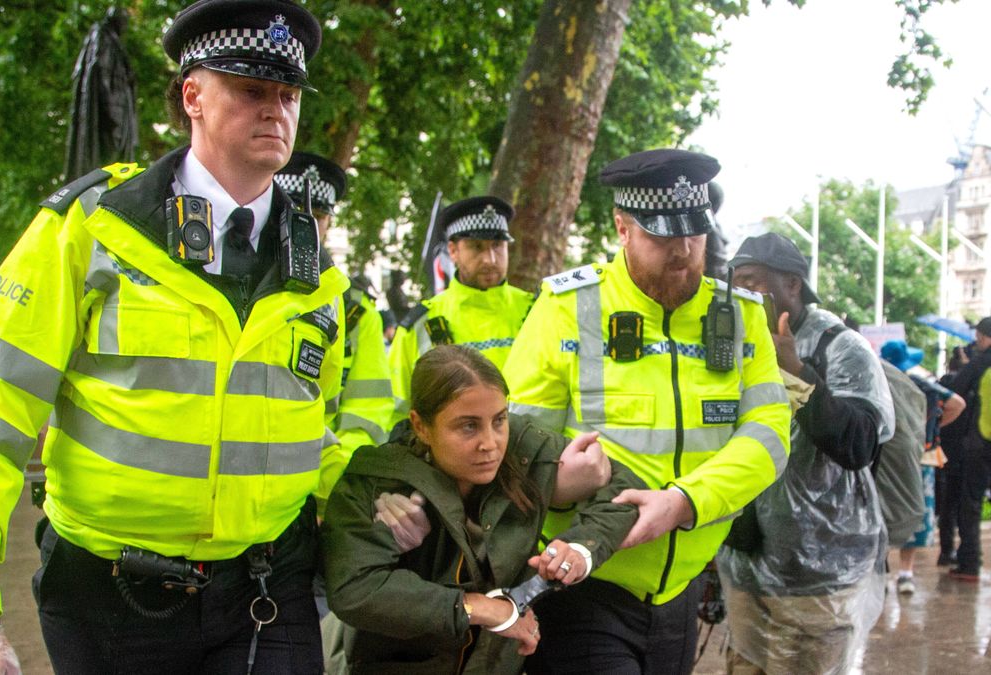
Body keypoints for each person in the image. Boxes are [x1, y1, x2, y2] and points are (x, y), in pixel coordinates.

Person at [0, 2, 346, 672]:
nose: (276, 111)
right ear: (193, 96)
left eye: (288, 94)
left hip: (268, 590)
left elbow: (310, 430)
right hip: (111, 602)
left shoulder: (317, 271)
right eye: (251, 90)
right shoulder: (94, 227)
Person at [503, 149, 791, 674]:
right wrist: (559, 482)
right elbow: (513, 443)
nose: (683, 250)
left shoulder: (743, 316)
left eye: (695, 232)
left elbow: (769, 437)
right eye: (662, 234)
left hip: (681, 589)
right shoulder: (567, 306)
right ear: (621, 227)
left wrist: (682, 503)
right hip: (585, 583)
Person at [322, 345, 647, 674]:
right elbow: (354, 589)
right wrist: (477, 608)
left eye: (499, 420)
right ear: (420, 426)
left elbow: (627, 486)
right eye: (468, 426)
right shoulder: (376, 483)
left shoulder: (522, 446)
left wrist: (580, 547)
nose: (490, 443)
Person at [717, 232, 894, 675]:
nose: (744, 294)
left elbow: (859, 444)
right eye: (736, 283)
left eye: (754, 281)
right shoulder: (732, 343)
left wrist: (796, 372)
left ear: (793, 285)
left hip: (820, 572)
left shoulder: (841, 347)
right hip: (747, 563)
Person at [275, 152, 393, 454]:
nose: (306, 222)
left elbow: (369, 409)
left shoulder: (357, 310)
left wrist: (336, 471)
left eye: (319, 216)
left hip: (321, 474)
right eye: (292, 207)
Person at [388, 196, 533, 423]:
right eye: (476, 247)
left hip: (532, 452)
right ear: (453, 251)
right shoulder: (422, 324)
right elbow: (396, 409)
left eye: (497, 245)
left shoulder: (536, 312)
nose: (490, 259)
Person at [879, 339, 965, 595]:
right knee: (914, 511)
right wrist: (933, 428)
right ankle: (906, 573)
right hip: (920, 457)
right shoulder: (921, 384)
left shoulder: (875, 383)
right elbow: (957, 403)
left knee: (881, 512)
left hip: (884, 460)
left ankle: (881, 572)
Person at [945, 316, 991, 581]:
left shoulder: (979, 363)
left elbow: (955, 390)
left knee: (971, 502)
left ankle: (970, 563)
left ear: (983, 337)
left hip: (979, 444)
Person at [937, 345, 970, 567]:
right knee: (964, 504)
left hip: (944, 450)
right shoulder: (972, 384)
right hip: (966, 451)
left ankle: (945, 551)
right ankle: (963, 552)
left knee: (946, 503)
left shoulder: (943, 384)